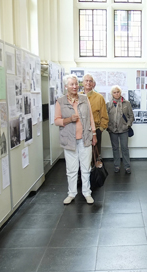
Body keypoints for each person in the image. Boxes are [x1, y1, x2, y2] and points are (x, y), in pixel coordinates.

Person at [55, 74, 97, 205]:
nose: (74, 86)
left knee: (86, 168)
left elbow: (90, 117)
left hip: (85, 138)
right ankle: (72, 193)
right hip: (69, 140)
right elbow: (56, 121)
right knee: (72, 169)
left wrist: (94, 134)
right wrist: (68, 120)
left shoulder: (84, 99)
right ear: (66, 86)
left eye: (76, 84)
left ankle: (87, 193)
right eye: (71, 84)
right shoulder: (60, 101)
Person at [106, 85, 134, 174]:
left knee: (124, 148)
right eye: (114, 92)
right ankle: (116, 166)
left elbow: (131, 116)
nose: (116, 94)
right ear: (112, 94)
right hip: (112, 130)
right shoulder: (108, 104)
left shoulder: (127, 103)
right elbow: (105, 117)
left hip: (124, 130)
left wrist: (128, 125)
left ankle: (127, 166)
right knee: (115, 148)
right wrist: (108, 127)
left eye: (118, 92)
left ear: (120, 92)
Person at [81, 74, 109, 155]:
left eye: (90, 81)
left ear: (93, 84)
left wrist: (100, 129)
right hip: (81, 130)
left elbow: (104, 115)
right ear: (82, 83)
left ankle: (95, 167)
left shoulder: (99, 97)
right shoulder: (78, 96)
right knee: (82, 154)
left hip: (95, 130)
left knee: (95, 154)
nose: (88, 83)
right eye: (86, 81)